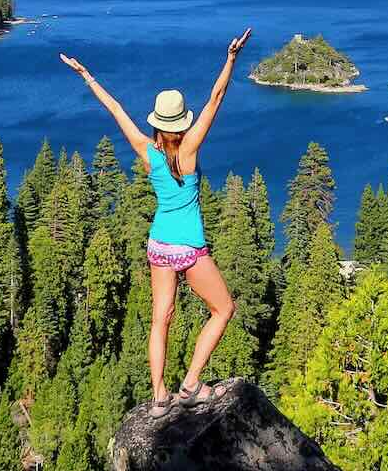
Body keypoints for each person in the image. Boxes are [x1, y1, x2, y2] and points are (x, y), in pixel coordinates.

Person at [60, 28, 250, 409]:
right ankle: (192, 384)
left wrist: (86, 75)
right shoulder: (191, 148)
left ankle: (159, 395)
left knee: (160, 319)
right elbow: (216, 98)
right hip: (190, 248)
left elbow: (115, 109)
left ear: (158, 123)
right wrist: (231, 58)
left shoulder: (147, 151)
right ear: (181, 121)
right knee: (223, 309)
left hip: (158, 246)